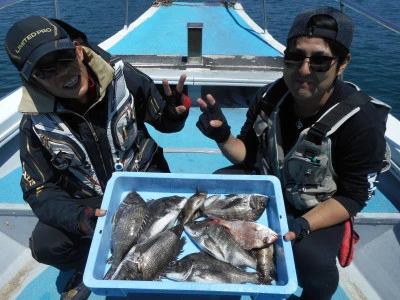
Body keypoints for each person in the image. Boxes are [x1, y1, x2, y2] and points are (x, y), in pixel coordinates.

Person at [196, 6, 389, 300]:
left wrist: (302, 225)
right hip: (271, 187)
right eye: (295, 56)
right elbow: (247, 157)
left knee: (312, 262)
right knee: (213, 192)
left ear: (342, 63)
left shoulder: (362, 122)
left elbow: (353, 197)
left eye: (320, 61)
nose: (303, 70)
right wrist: (222, 135)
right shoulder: (270, 97)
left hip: (316, 206)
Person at [5, 15, 190, 299]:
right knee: (46, 244)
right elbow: (39, 188)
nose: (63, 74)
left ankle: (151, 260)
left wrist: (176, 112)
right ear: (31, 80)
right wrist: (80, 217)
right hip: (92, 203)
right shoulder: (34, 124)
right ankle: (88, 267)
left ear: (78, 50)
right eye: (45, 71)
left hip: (145, 185)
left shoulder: (124, 78)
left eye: (64, 58)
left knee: (172, 226)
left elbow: (164, 119)